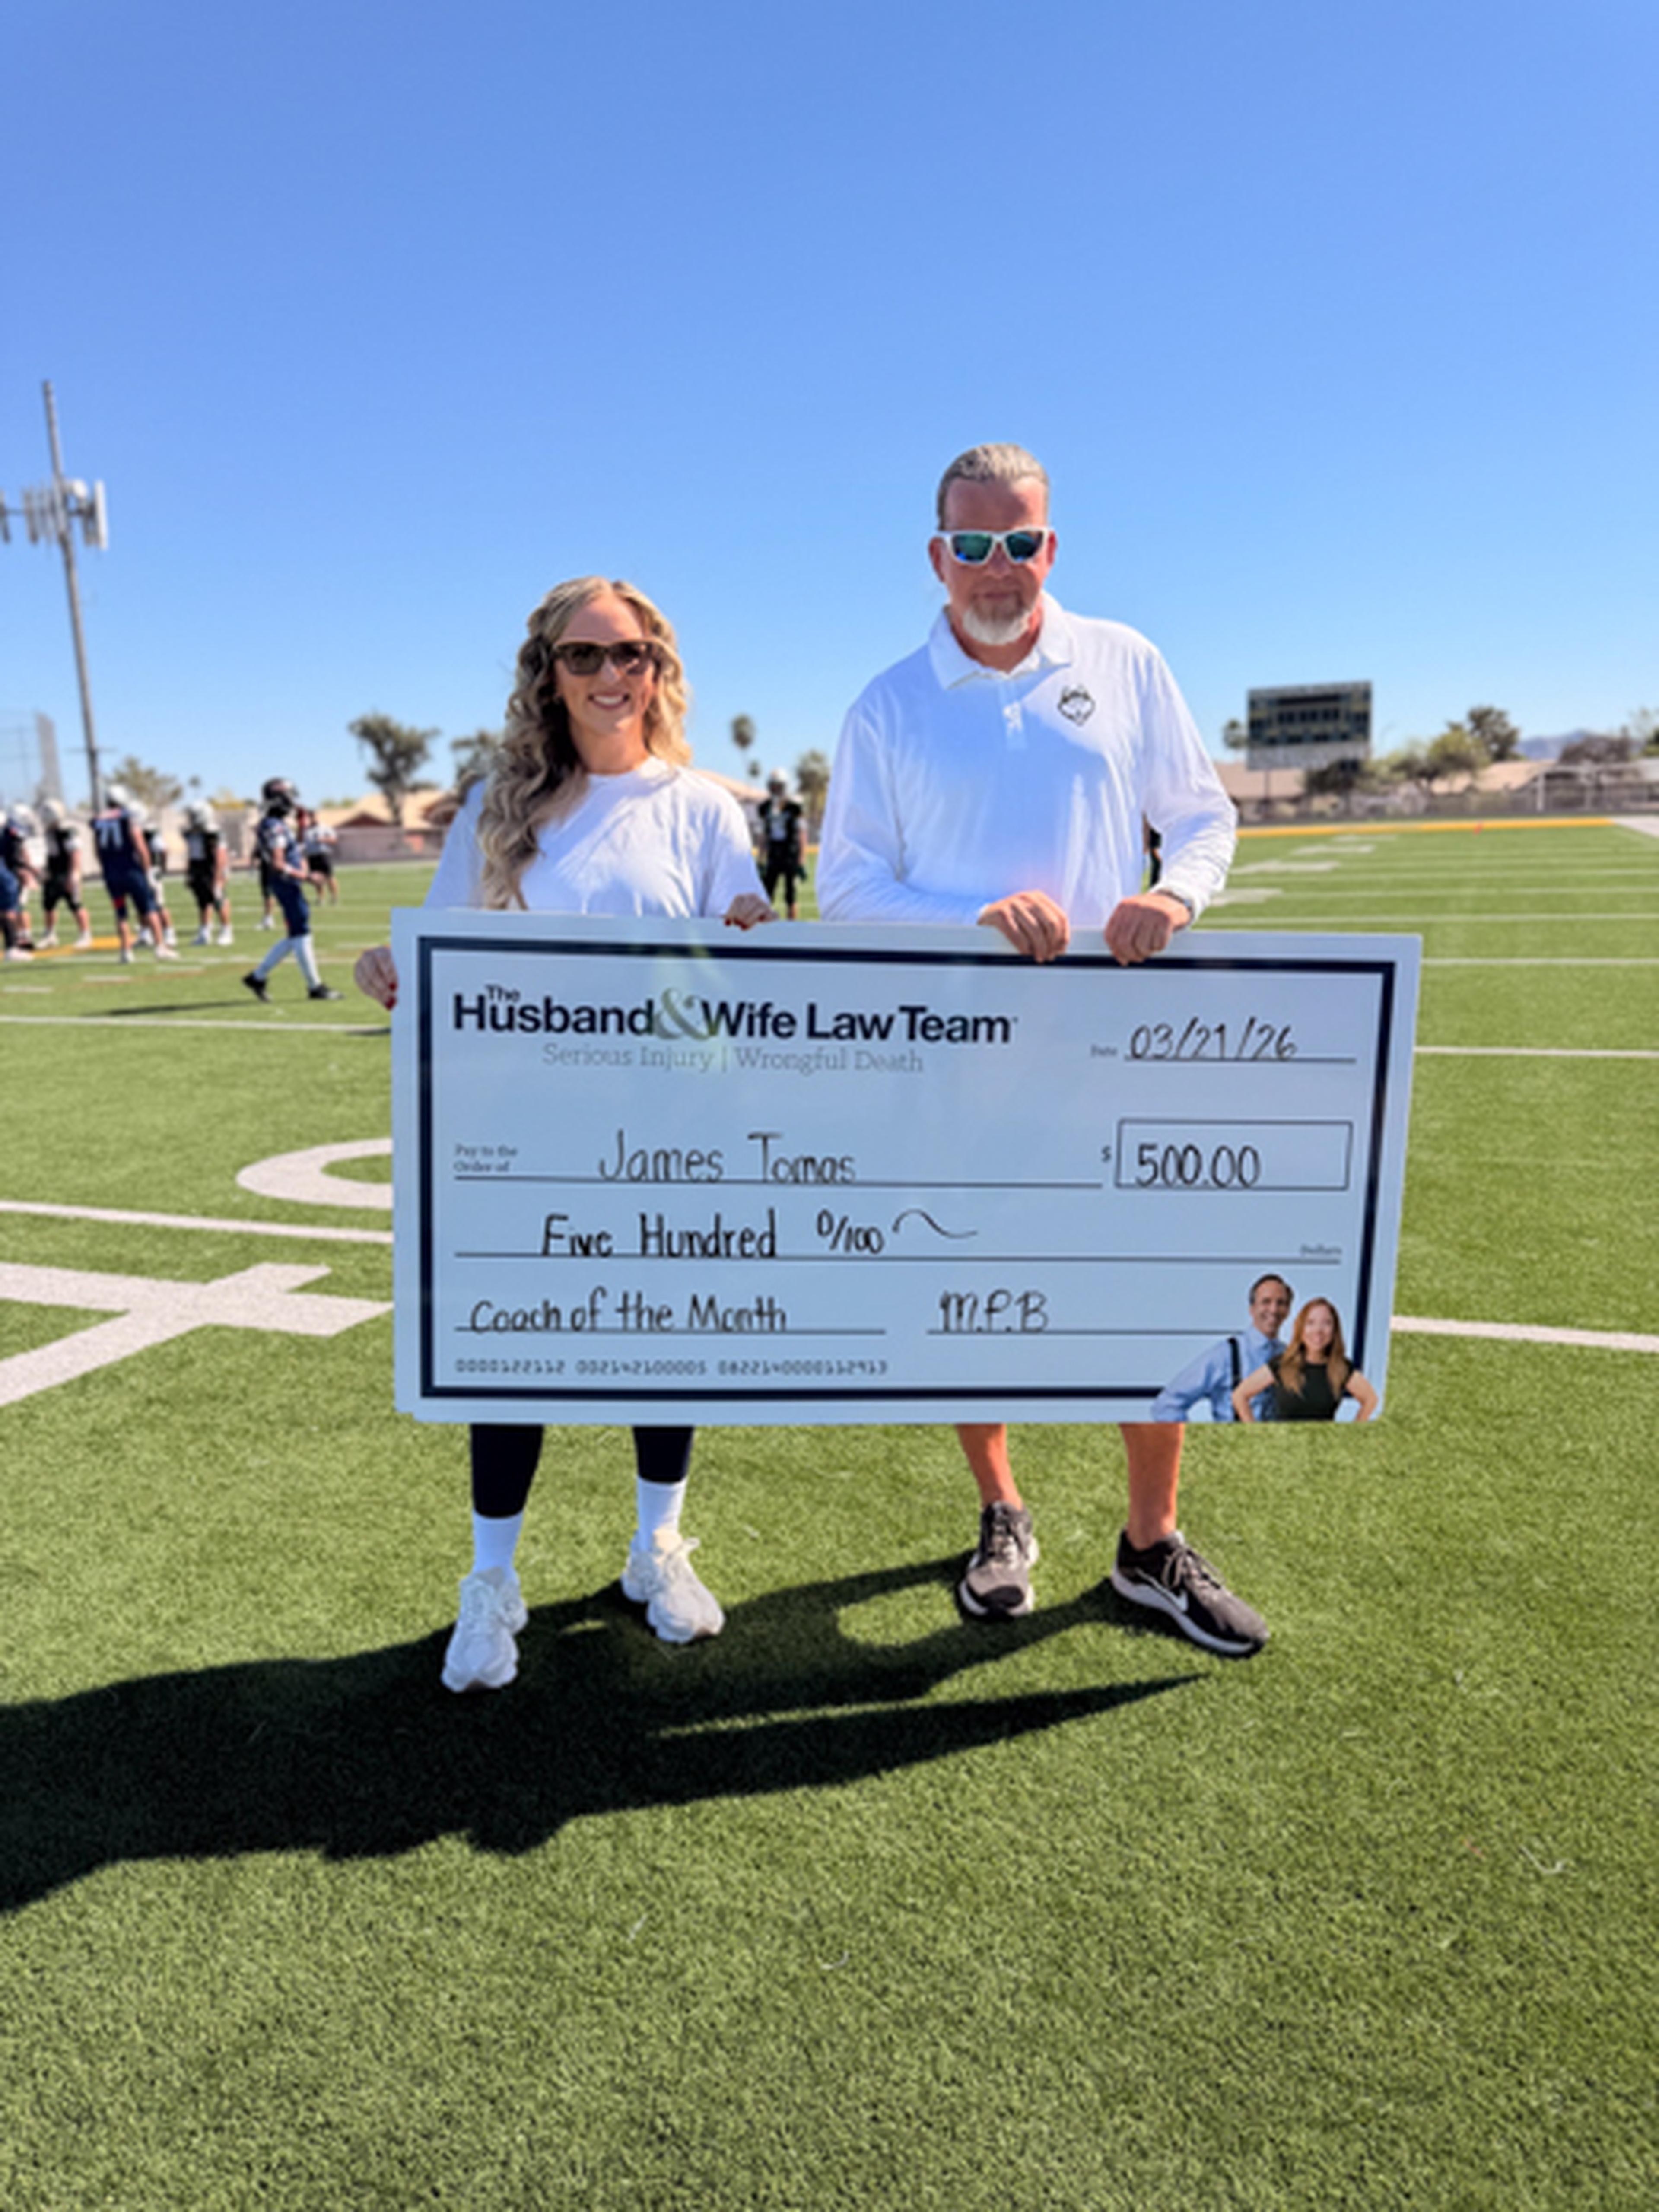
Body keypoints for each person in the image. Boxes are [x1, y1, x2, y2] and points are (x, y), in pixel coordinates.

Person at [817, 440, 1266, 1658]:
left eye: (1020, 541)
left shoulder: (1125, 662)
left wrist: (1176, 897)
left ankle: (1149, 1545)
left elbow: (1205, 818)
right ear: (937, 557)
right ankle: (1003, 1513)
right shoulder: (886, 704)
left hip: (1115, 1048)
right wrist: (968, 922)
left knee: (1155, 1286)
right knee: (972, 1294)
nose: (999, 568)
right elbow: (845, 890)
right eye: (974, 545)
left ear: (1051, 547)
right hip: (958, 1066)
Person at [354, 576, 773, 1694]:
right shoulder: (501, 803)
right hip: (522, 1127)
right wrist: (392, 967)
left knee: (667, 1340)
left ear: (657, 668)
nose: (606, 676)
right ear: (547, 672)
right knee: (513, 1348)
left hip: (674, 1122)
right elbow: (447, 948)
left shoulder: (702, 808)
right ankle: (494, 1581)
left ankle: (658, 1547)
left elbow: (742, 941)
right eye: (581, 657)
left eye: (627, 654)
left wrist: (754, 931)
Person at [242, 779, 340, 1003]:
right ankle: (315, 987)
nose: (294, 801)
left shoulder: (275, 823)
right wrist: (307, 876)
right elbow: (278, 863)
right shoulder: (274, 825)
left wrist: (303, 826)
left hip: (285, 882)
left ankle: (258, 977)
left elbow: (292, 851)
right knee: (302, 932)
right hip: (285, 883)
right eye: (290, 796)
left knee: (297, 934)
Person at [1149, 1274, 1295, 1424]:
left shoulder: (1289, 1356)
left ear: (1288, 1311)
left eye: (1281, 1303)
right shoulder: (1226, 1355)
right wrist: (1193, 1444)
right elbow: (1167, 1406)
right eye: (1266, 1302)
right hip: (1236, 1445)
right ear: (1252, 1309)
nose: (1274, 1309)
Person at [1232, 1299, 1378, 1424]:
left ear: (1334, 1331)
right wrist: (1256, 1435)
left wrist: (1353, 1435)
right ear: (1301, 1329)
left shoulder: (1341, 1368)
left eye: (1327, 1323)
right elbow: (1240, 1395)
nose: (1318, 1330)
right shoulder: (1282, 1364)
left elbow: (1370, 1399)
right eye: (1311, 1323)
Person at [91, 784, 176, 962]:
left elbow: (97, 850)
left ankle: (125, 951)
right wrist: (148, 871)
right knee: (149, 908)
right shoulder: (128, 817)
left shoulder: (99, 820)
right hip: (131, 870)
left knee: (121, 912)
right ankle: (160, 947)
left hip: (111, 873)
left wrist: (106, 868)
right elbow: (140, 846)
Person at [36, 800, 95, 950]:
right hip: (54, 872)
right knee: (48, 905)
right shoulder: (50, 831)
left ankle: (86, 935)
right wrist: (46, 871)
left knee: (75, 904)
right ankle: (50, 935)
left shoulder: (68, 831)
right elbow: (51, 854)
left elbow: (75, 853)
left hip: (66, 872)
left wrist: (74, 874)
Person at [755, 769, 806, 918]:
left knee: (791, 895)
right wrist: (761, 859)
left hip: (790, 852)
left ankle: (792, 929)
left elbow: (802, 833)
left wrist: (802, 860)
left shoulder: (794, 807)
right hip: (774, 853)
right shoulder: (765, 808)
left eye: (779, 786)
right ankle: (765, 929)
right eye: (773, 786)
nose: (776, 789)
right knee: (767, 893)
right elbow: (764, 834)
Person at [182, 801, 233, 945]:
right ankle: (205, 932)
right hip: (198, 867)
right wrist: (188, 873)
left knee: (218, 898)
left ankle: (226, 930)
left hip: (212, 867)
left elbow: (220, 856)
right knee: (202, 901)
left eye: (193, 815)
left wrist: (218, 878)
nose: (190, 818)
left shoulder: (214, 833)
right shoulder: (191, 833)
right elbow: (191, 853)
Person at [299, 807, 340, 903]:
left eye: (314, 816)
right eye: (310, 816)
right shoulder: (307, 830)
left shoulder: (324, 827)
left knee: (329, 876)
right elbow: (304, 843)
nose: (312, 818)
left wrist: (323, 840)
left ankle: (335, 897)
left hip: (323, 855)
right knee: (316, 877)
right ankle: (321, 898)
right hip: (312, 856)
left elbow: (334, 840)